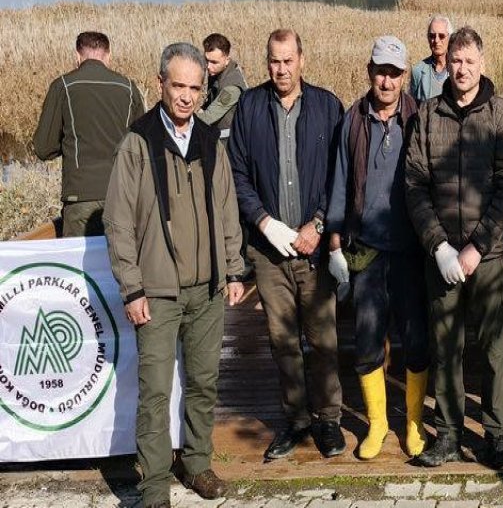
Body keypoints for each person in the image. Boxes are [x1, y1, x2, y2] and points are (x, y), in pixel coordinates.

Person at [103, 42, 246, 508]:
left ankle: (198, 463)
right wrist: (132, 287)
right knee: (155, 391)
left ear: (205, 90)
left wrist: (234, 268)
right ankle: (153, 487)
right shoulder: (138, 142)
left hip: (207, 289)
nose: (186, 96)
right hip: (158, 293)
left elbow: (226, 208)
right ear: (160, 83)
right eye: (178, 85)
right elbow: (118, 221)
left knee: (204, 383)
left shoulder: (208, 139)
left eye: (195, 88)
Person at [404, 26, 503, 468]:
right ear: (446, 63)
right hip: (441, 257)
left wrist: (475, 248)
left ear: (482, 64)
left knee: (493, 349)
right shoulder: (429, 114)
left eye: (470, 62)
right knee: (445, 348)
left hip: (487, 257)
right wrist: (438, 247)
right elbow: (414, 184)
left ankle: (497, 436)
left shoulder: (499, 113)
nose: (462, 69)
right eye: (456, 61)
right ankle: (449, 435)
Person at [229, 29, 345, 461]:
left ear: (302, 59)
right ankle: (296, 421)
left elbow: (340, 173)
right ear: (267, 62)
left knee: (322, 339)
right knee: (282, 340)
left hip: (312, 247)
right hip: (269, 250)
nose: (281, 69)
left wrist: (318, 222)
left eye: (288, 60)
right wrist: (262, 220)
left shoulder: (328, 106)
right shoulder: (249, 107)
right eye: (274, 61)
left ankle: (328, 420)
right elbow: (237, 174)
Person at [324, 36, 430, 461]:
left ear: (405, 76)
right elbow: (339, 182)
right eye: (380, 71)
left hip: (409, 250)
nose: (386, 80)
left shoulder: (419, 119)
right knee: (367, 340)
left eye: (394, 72)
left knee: (417, 339)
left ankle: (414, 423)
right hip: (365, 251)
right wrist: (334, 241)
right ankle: (378, 423)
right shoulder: (352, 120)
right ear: (369, 71)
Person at [34, 30, 145, 236]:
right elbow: (141, 145)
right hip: (121, 194)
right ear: (108, 55)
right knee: (120, 263)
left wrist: (69, 143)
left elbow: (43, 148)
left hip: (80, 194)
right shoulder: (129, 88)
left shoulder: (64, 86)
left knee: (79, 266)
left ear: (77, 55)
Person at [197, 33, 248, 142]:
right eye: (206, 60)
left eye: (214, 62)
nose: (208, 66)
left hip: (230, 144)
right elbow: (206, 106)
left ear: (227, 60)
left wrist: (178, 120)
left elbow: (208, 118)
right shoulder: (217, 73)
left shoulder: (231, 88)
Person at [409, 14, 453, 103]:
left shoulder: (457, 69)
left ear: (450, 38)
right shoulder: (418, 71)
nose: (436, 40)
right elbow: (412, 105)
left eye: (441, 36)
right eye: (432, 36)